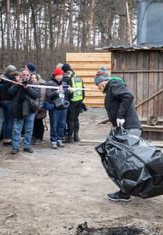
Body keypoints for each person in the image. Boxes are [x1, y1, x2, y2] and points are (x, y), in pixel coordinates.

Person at [94, 66, 142, 202]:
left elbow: (128, 96)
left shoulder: (114, 84)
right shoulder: (112, 89)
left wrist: (120, 115)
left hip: (129, 128)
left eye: (98, 85)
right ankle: (130, 189)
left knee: (124, 161)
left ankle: (125, 192)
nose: (98, 88)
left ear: (102, 81)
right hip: (125, 129)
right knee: (126, 160)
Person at [8, 70, 39, 154]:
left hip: (30, 110)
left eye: (27, 75)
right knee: (17, 129)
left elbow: (36, 95)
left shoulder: (33, 84)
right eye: (24, 75)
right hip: (19, 110)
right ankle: (15, 147)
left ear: (29, 76)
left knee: (29, 130)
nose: (25, 76)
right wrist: (18, 85)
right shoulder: (17, 83)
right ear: (21, 76)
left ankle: (27, 146)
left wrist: (28, 88)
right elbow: (10, 93)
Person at [46, 68, 73, 149]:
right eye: (58, 75)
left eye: (61, 75)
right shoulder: (51, 83)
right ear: (55, 75)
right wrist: (57, 92)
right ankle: (53, 141)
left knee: (62, 125)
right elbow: (48, 97)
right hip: (55, 108)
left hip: (63, 107)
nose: (59, 77)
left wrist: (70, 91)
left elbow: (70, 97)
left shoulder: (65, 83)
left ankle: (59, 139)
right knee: (54, 125)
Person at [62, 63, 86, 143]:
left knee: (70, 120)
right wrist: (82, 101)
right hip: (79, 100)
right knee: (76, 119)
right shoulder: (78, 77)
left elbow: (65, 89)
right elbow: (83, 89)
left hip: (72, 101)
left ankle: (70, 137)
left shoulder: (67, 77)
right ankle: (76, 137)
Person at [0, 66, 18, 146]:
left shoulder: (3, 79)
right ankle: (8, 140)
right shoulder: (13, 79)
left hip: (3, 101)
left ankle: (5, 139)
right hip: (9, 101)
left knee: (6, 121)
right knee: (10, 121)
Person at [30, 73, 47, 145]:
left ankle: (40, 138)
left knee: (39, 123)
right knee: (34, 123)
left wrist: (39, 107)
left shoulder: (41, 86)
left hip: (40, 108)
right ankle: (35, 136)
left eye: (34, 78)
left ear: (37, 79)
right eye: (32, 77)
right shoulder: (31, 85)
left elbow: (42, 97)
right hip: (33, 107)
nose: (33, 79)